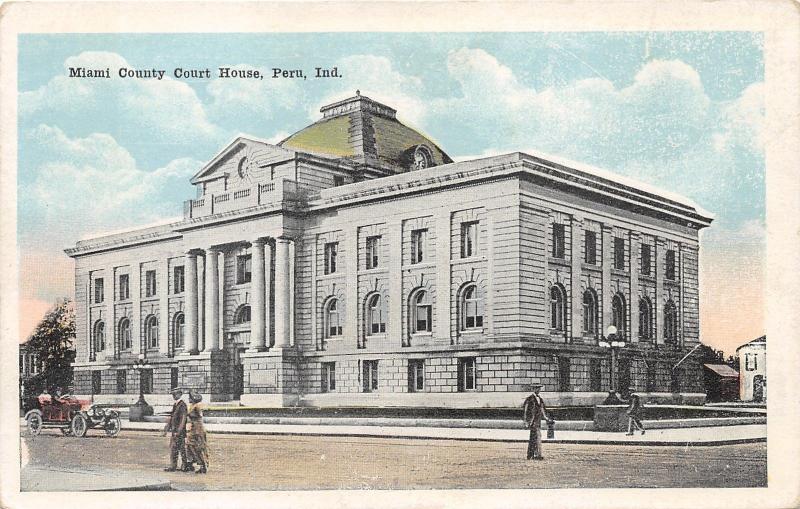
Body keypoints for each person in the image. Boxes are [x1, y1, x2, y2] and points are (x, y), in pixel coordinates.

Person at [162, 388, 189, 472]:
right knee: (177, 448)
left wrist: (179, 431)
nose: (173, 396)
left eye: (175, 394)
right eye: (172, 394)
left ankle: (181, 465)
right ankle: (177, 465)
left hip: (178, 432)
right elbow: (172, 416)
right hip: (175, 431)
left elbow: (183, 419)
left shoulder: (182, 405)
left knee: (179, 449)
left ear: (180, 394)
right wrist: (167, 429)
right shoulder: (176, 404)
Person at [522, 384, 552, 460]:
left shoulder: (540, 399)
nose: (538, 390)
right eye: (537, 388)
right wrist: (526, 421)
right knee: (536, 437)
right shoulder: (529, 399)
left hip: (538, 421)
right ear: (533, 389)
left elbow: (542, 409)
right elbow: (525, 410)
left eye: (539, 388)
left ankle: (534, 454)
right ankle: (534, 455)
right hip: (532, 421)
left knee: (535, 437)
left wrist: (546, 418)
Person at [185, 391, 209, 474]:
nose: (189, 399)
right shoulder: (192, 406)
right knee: (189, 445)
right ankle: (192, 462)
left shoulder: (197, 406)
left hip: (198, 429)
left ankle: (203, 465)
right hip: (193, 428)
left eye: (190, 397)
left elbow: (199, 414)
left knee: (199, 447)